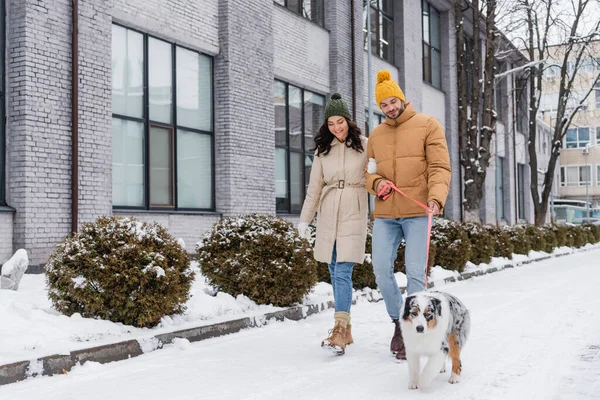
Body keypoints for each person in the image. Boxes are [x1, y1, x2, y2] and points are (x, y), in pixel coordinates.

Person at [365, 70, 451, 360]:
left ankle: (416, 332)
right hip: (387, 213)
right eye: (383, 105)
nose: (389, 108)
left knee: (415, 274)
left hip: (417, 211)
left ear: (401, 98)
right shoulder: (375, 135)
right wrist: (378, 184)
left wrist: (436, 198)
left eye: (392, 101)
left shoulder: (428, 125)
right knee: (380, 269)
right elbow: (368, 173)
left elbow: (440, 167)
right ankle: (398, 323)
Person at [297, 92, 368, 355]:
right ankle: (346, 330)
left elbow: (376, 179)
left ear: (348, 120)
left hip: (353, 208)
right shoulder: (322, 151)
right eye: (331, 123)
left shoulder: (365, 145)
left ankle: (339, 328)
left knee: (342, 271)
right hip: (328, 212)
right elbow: (314, 188)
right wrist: (305, 220)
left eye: (340, 121)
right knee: (332, 269)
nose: (336, 127)